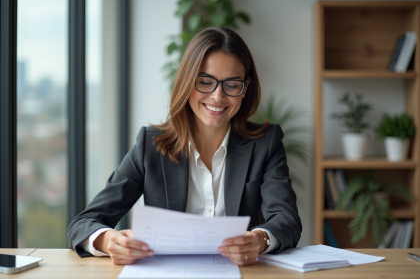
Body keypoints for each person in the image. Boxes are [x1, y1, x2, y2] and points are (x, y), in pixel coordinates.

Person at [68, 27, 301, 266]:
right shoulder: (149, 146)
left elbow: (287, 219)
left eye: (231, 85)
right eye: (205, 82)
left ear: (245, 88)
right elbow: (85, 222)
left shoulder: (266, 143)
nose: (218, 96)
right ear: (187, 82)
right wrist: (108, 240)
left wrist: (260, 238)